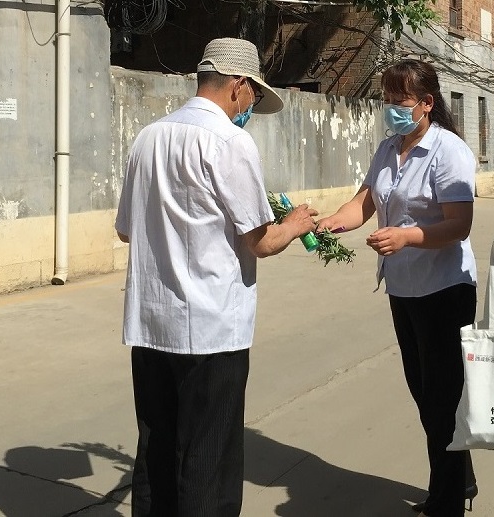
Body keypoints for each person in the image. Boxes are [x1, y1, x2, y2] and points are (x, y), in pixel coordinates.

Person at [114, 37, 318, 517]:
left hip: (152, 324)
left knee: (157, 452)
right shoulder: (230, 142)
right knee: (208, 458)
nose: (250, 107)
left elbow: (125, 230)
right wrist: (295, 225)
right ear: (239, 86)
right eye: (253, 96)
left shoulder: (148, 137)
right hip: (211, 329)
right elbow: (260, 241)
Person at [317, 59, 479, 517]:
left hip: (444, 290)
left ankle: (446, 502)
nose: (390, 107)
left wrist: (406, 236)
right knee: (424, 394)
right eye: (386, 99)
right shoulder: (389, 148)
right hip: (404, 290)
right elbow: (363, 203)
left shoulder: (449, 151)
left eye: (398, 100)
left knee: (442, 401)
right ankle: (459, 478)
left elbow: (460, 224)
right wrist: (330, 223)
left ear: (426, 103)